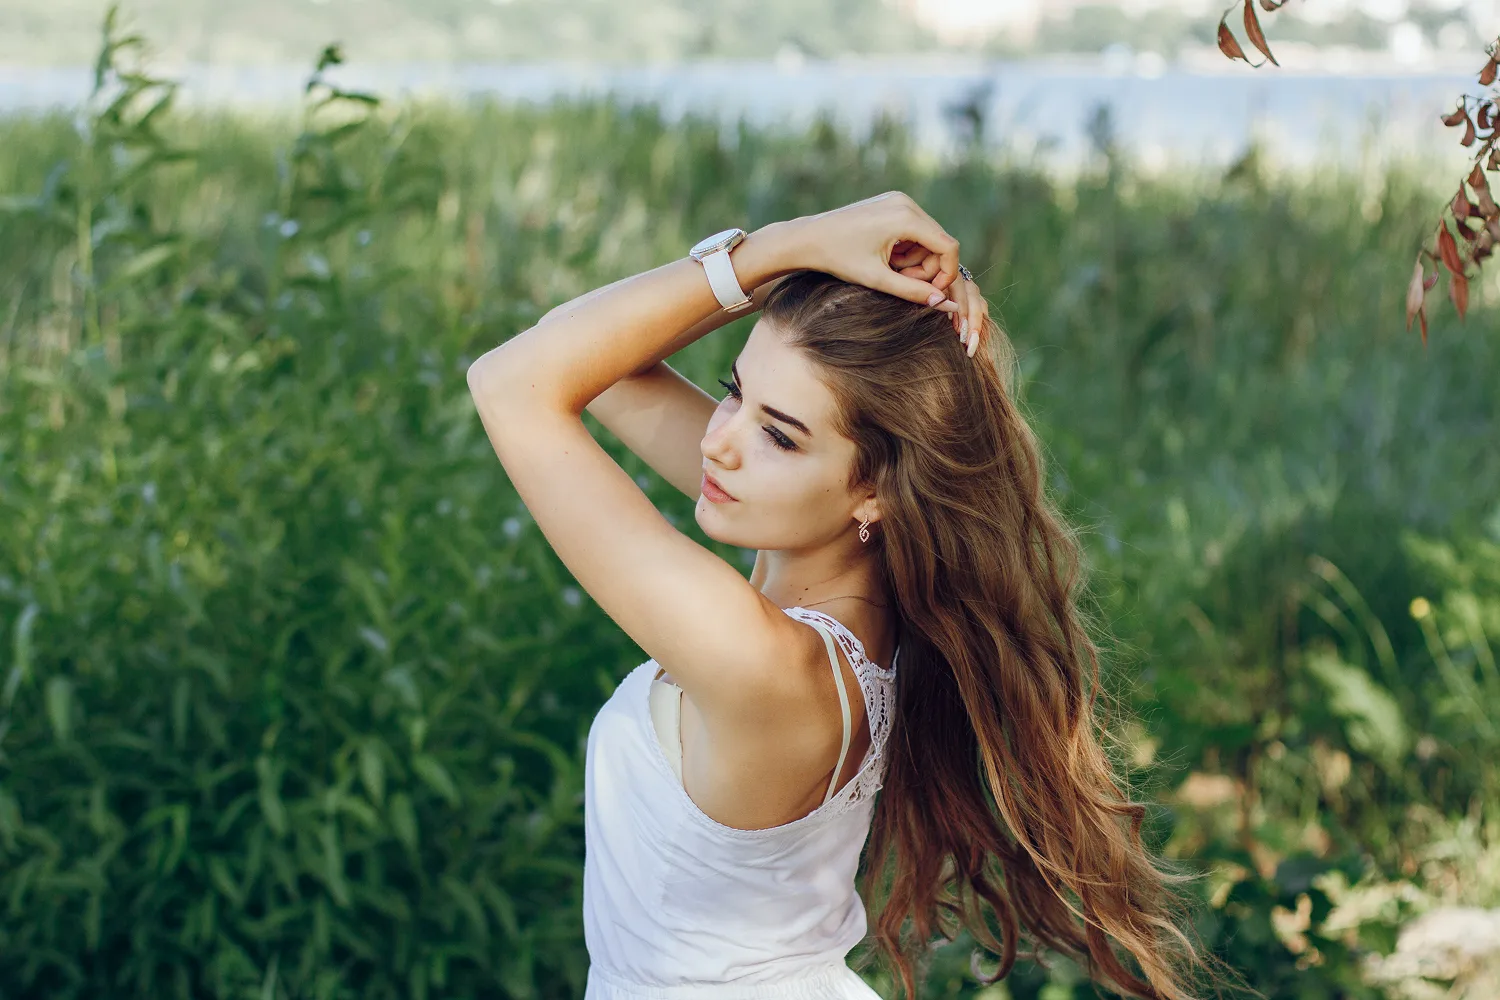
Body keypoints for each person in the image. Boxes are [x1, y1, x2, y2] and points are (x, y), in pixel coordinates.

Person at [466, 193, 1203, 999]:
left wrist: (786, 246)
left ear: (876, 492)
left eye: (779, 434)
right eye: (733, 389)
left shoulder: (764, 664)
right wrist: (804, 265)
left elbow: (514, 380)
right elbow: (591, 362)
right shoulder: (838, 565)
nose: (720, 440)